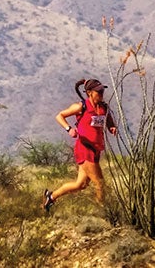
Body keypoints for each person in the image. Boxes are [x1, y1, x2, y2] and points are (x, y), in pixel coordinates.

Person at [43, 78, 118, 212]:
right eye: (98, 91)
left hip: (96, 150)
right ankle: (101, 213)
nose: (101, 93)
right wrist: (69, 129)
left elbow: (109, 122)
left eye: (102, 91)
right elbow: (60, 116)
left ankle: (51, 196)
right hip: (84, 149)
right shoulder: (80, 106)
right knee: (100, 184)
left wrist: (112, 128)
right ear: (89, 92)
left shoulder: (103, 107)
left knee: (81, 184)